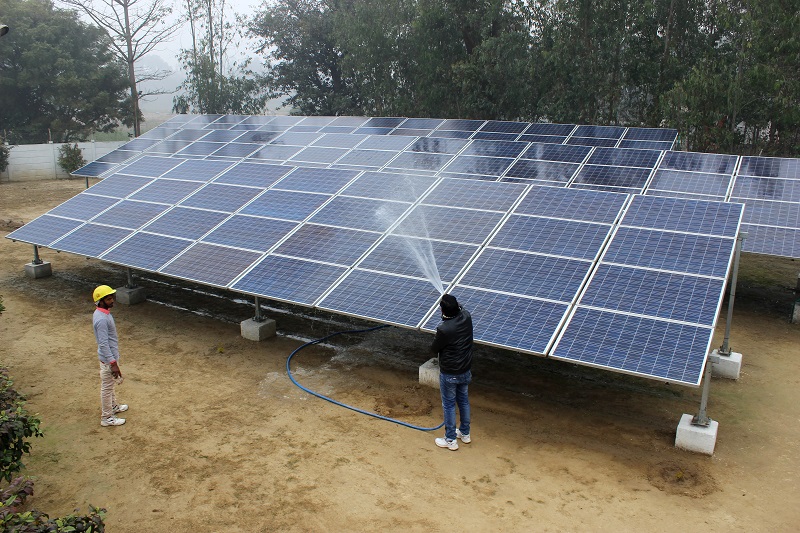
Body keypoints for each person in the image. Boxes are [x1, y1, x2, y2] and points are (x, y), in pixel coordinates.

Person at [430, 293, 473, 451]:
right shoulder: (467, 317)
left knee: (448, 405)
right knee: (463, 401)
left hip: (450, 373)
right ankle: (465, 434)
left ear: (443, 311)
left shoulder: (444, 329)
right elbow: (462, 309)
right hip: (465, 369)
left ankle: (450, 440)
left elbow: (434, 349)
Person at [92, 285, 128, 427]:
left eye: (111, 297)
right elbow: (103, 343)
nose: (112, 300)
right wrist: (113, 363)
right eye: (108, 299)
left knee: (110, 385)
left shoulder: (104, 314)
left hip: (110, 357)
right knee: (107, 388)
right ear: (100, 301)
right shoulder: (101, 319)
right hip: (108, 359)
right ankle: (107, 417)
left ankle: (113, 407)